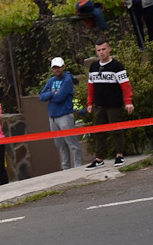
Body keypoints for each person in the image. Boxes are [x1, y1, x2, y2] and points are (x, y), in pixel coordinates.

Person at [85, 38, 134, 169]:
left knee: (116, 131)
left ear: (109, 49)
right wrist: (90, 103)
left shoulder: (117, 66)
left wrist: (128, 102)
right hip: (99, 105)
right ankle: (99, 158)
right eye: (99, 50)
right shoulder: (94, 67)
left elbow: (126, 86)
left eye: (104, 49)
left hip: (114, 105)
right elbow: (91, 87)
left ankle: (119, 155)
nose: (101, 52)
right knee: (99, 132)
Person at [39, 57, 84, 170]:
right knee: (60, 145)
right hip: (53, 117)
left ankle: (78, 166)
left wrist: (51, 94)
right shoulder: (51, 81)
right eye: (54, 67)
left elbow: (60, 97)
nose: (57, 69)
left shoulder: (67, 80)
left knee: (72, 143)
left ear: (63, 67)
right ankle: (66, 168)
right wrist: (51, 94)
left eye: (59, 67)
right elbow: (42, 96)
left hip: (65, 114)